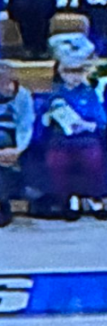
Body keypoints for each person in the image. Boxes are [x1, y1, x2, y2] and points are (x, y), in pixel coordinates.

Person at [41, 49, 107, 220]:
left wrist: (85, 125)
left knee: (92, 159)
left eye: (78, 72)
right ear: (61, 73)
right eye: (69, 72)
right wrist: (50, 117)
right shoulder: (55, 94)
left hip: (87, 137)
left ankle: (94, 197)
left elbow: (101, 120)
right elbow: (43, 122)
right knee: (57, 161)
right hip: (61, 138)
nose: (74, 76)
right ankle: (71, 198)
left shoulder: (90, 93)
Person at [0, 63, 35, 228]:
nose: (5, 87)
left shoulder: (23, 96)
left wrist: (18, 150)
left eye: (7, 82)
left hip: (14, 140)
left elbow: (25, 126)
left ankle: (2, 203)